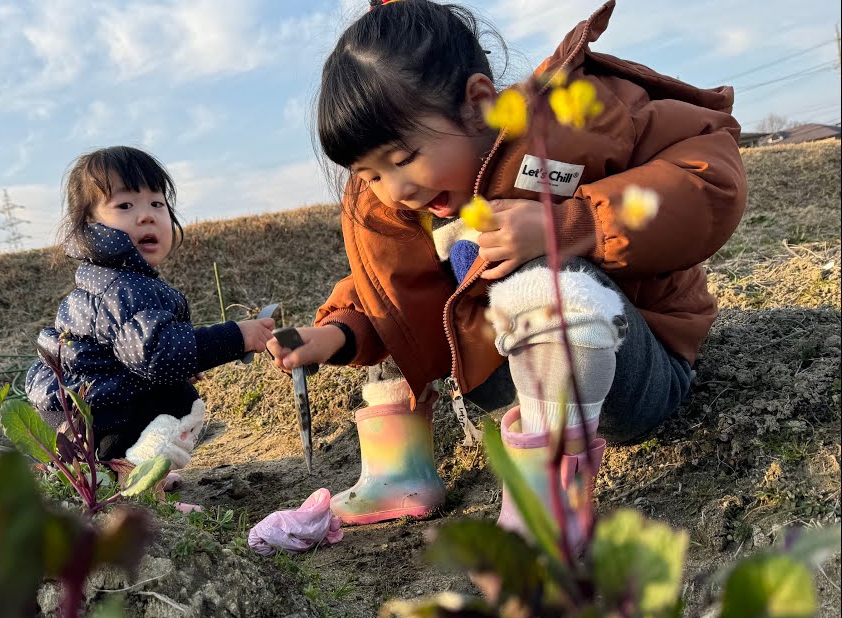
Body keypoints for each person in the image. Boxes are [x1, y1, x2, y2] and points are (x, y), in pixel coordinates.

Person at [267, 0, 746, 530]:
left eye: (403, 160)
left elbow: (709, 179)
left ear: (477, 103)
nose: (396, 190)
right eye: (371, 175)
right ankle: (399, 472)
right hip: (513, 379)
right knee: (408, 304)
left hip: (633, 374)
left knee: (528, 275)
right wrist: (334, 333)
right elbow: (387, 292)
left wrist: (569, 224)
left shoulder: (575, 123)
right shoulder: (410, 207)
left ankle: (546, 509)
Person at [26, 146, 275, 482]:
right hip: (94, 416)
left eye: (157, 203)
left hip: (82, 410)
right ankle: (134, 476)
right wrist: (237, 337)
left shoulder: (111, 279)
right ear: (89, 225)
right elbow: (160, 354)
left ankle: (115, 469)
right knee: (181, 401)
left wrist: (182, 365)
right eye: (125, 206)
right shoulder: (122, 287)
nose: (147, 216)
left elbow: (134, 355)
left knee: (171, 387)